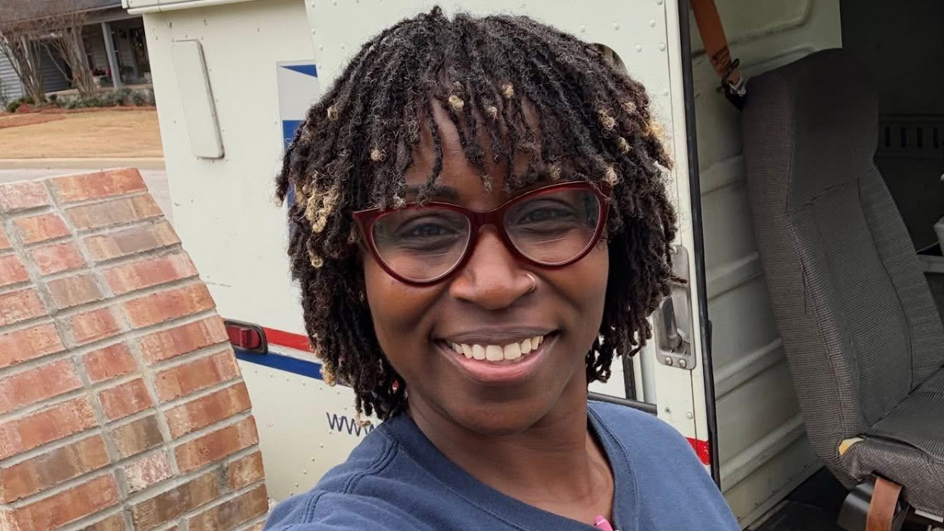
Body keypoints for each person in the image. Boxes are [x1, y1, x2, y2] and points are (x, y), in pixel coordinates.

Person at [266, 7, 740, 531]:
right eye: (424, 228)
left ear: (617, 240)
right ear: (355, 276)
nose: (494, 285)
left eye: (545, 214)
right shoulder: (355, 521)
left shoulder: (660, 449)